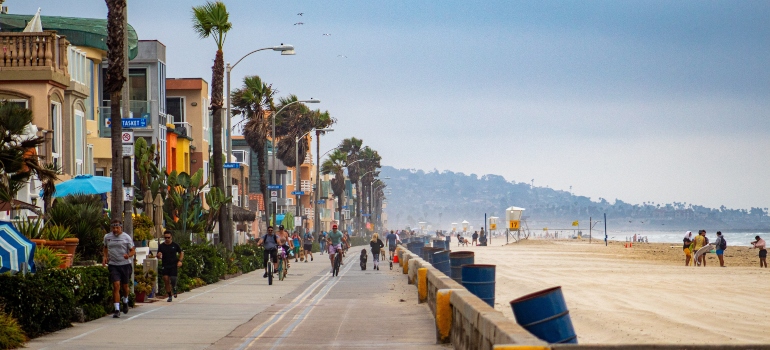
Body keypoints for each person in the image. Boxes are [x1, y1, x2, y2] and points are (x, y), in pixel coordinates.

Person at [102, 219, 135, 318]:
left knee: (125, 287)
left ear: (121, 227)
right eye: (113, 228)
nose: (115, 230)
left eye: (117, 228)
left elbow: (133, 250)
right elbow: (105, 247)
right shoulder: (107, 237)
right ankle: (117, 309)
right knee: (116, 285)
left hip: (125, 264)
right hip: (113, 265)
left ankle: (125, 300)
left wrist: (128, 255)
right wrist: (105, 257)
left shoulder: (126, 237)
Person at [156, 230, 184, 302]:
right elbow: (158, 255)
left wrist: (180, 261)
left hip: (173, 265)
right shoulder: (161, 246)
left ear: (171, 237)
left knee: (173, 279)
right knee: (166, 279)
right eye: (165, 238)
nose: (167, 239)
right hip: (165, 265)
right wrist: (158, 256)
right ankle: (169, 295)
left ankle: (174, 287)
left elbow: (181, 252)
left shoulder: (175, 245)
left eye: (168, 237)